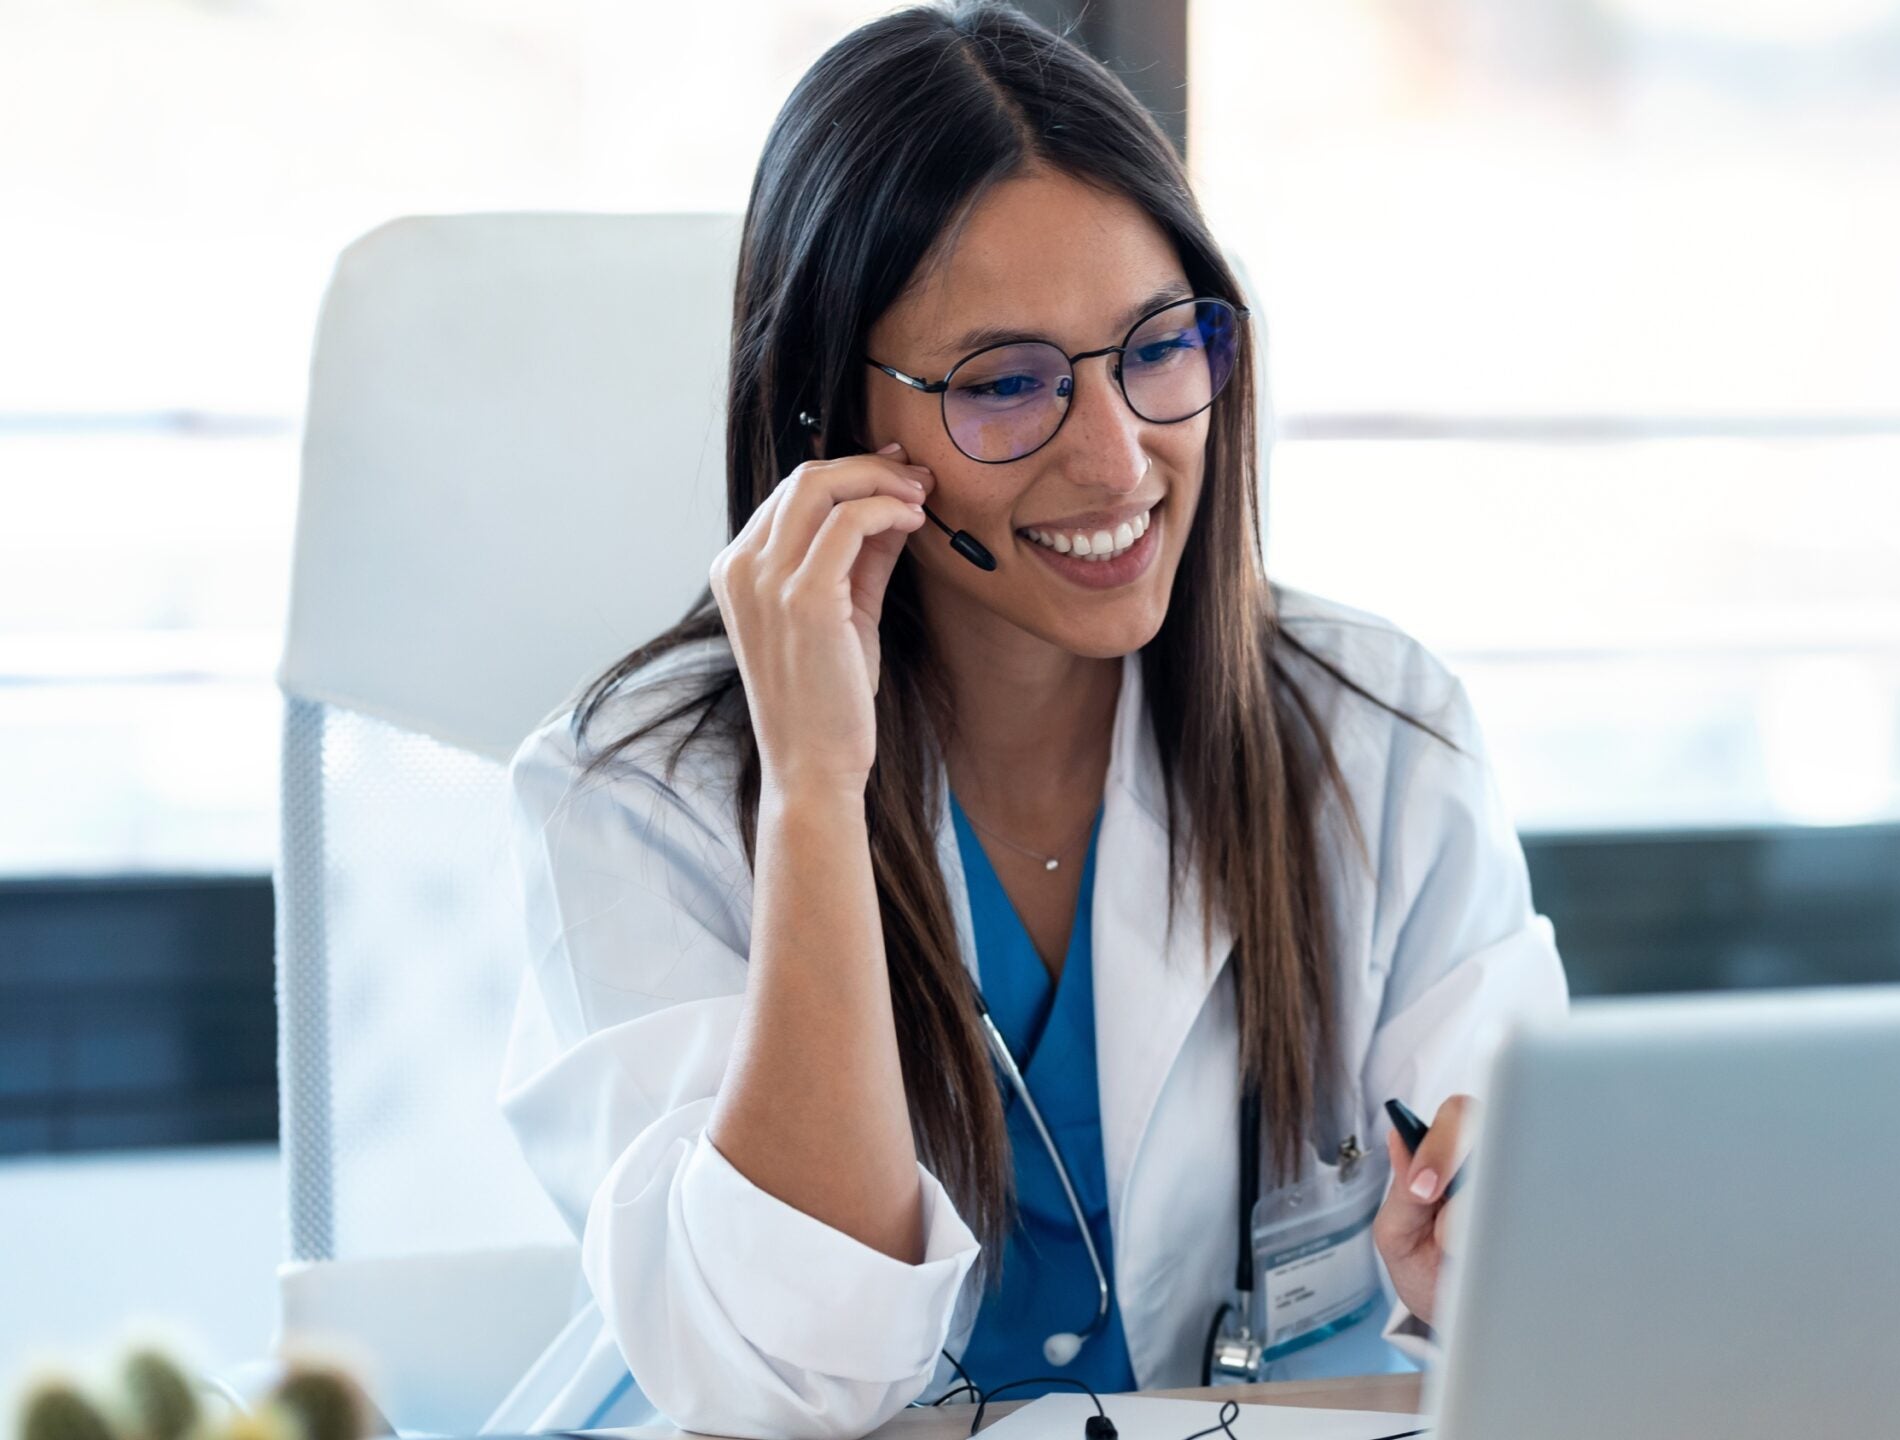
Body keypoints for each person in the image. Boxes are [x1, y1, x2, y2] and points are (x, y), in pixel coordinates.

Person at [484, 4, 1567, 1435]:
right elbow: (790, 1391)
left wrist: (1490, 1255)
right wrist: (815, 784)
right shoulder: (636, 796)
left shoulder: (1378, 732)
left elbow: (1544, 1265)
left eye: (1159, 347)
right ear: (830, 419)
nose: (1119, 459)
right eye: (1006, 385)